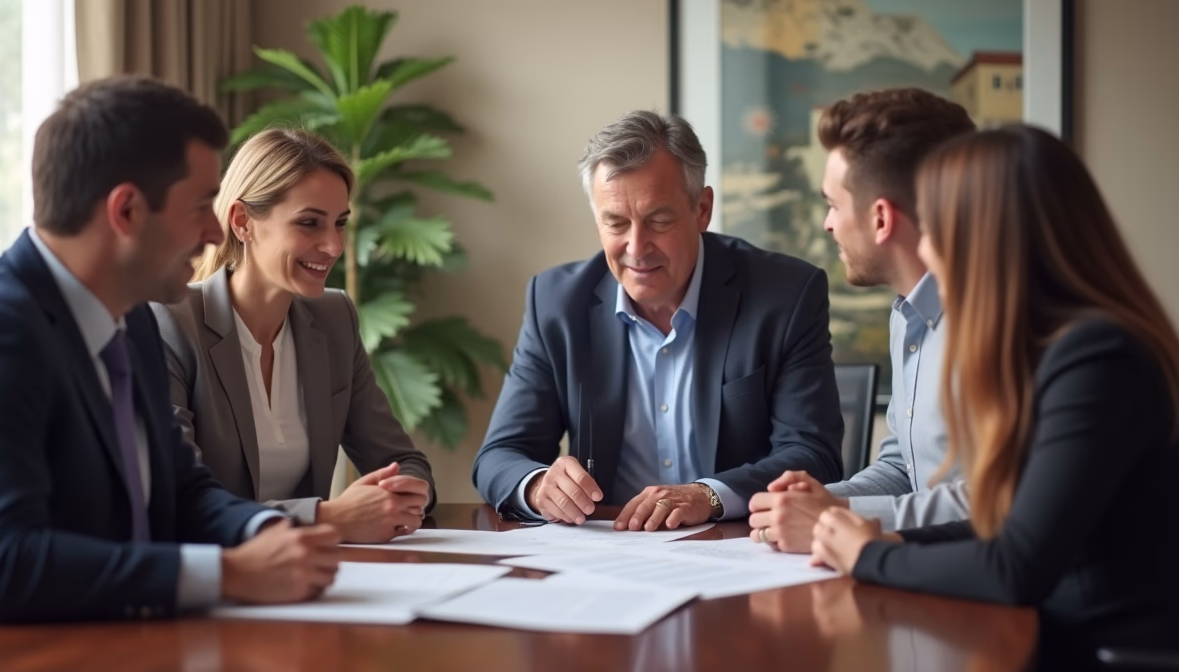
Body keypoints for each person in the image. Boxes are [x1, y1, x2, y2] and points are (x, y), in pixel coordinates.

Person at [809, 125, 1179, 660]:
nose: (928, 251)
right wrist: (884, 541)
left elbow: (1016, 565)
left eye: (934, 229)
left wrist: (869, 555)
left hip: (1104, 651)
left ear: (987, 239)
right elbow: (1005, 522)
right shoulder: (1063, 347)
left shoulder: (1098, 358)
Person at [0, 77, 341, 623]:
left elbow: (182, 488)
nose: (216, 233)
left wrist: (264, 530)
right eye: (201, 206)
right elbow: (3, 564)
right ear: (125, 212)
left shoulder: (134, 319)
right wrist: (231, 574)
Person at [472, 110, 844, 529]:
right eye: (615, 223)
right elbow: (498, 456)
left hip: (737, 547)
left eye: (659, 221)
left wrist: (709, 495)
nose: (636, 247)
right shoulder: (557, 302)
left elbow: (814, 454)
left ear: (702, 209)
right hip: (609, 553)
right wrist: (538, 485)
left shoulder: (786, 294)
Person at [150, 129, 435, 544]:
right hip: (220, 581)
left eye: (339, 224)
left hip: (314, 576)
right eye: (309, 223)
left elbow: (402, 460)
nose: (333, 246)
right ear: (243, 222)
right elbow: (178, 501)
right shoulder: (168, 323)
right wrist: (326, 517)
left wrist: (405, 492)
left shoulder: (335, 318)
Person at [749, 89, 975, 552]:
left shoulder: (995, 321)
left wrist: (836, 517)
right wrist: (818, 502)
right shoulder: (907, 313)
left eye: (832, 204)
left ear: (880, 218)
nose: (827, 224)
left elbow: (1002, 503)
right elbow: (903, 468)